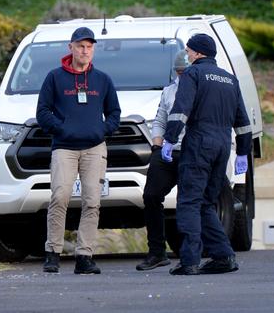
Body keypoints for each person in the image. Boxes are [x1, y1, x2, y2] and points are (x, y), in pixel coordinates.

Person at [162, 33, 252, 275]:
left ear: (199, 53)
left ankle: (189, 261)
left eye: (189, 51)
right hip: (222, 146)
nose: (187, 55)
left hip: (199, 143)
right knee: (205, 203)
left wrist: (169, 139)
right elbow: (243, 122)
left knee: (189, 202)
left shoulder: (193, 74)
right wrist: (243, 152)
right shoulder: (230, 79)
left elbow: (181, 110)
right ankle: (224, 257)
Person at [36, 26, 121, 274]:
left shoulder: (102, 80)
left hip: (95, 148)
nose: (85, 51)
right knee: (59, 197)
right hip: (64, 148)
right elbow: (42, 112)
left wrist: (103, 130)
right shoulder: (54, 77)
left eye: (89, 47)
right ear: (70, 47)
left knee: (92, 202)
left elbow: (114, 112)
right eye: (81, 46)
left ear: (93, 50)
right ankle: (52, 253)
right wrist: (62, 129)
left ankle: (84, 256)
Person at [136, 50, 188, 271]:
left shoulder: (203, 90)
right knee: (151, 195)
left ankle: (190, 252)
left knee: (188, 201)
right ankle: (157, 252)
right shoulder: (169, 91)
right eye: (179, 72)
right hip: (167, 150)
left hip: (190, 150)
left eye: (186, 72)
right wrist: (157, 144)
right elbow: (160, 119)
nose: (182, 76)